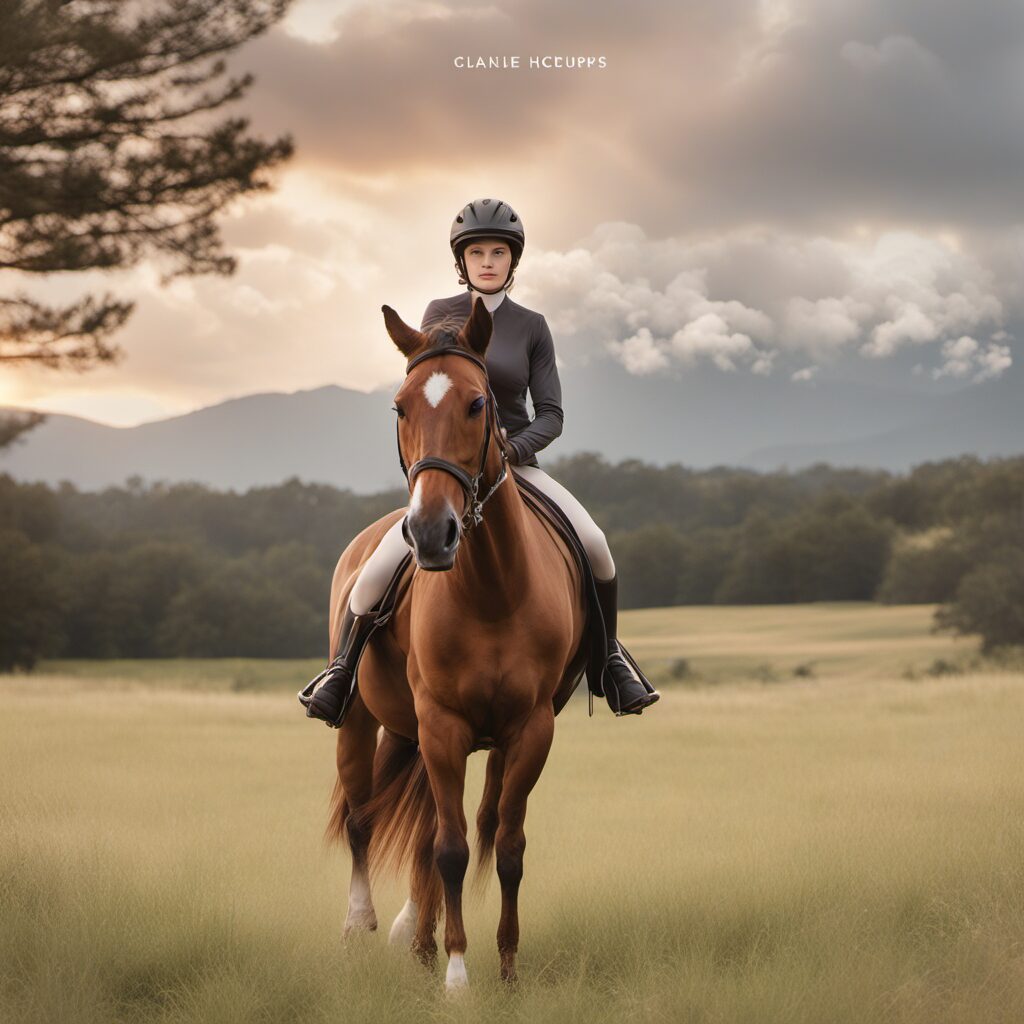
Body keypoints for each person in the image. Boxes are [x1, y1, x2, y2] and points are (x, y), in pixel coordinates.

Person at [301, 198, 660, 727]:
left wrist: (511, 450)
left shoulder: (532, 326)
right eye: (476, 253)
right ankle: (342, 671)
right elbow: (430, 391)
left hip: (518, 467)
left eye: (498, 252)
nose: (487, 261)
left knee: (596, 545)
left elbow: (552, 414)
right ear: (461, 261)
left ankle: (609, 661)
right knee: (376, 568)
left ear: (513, 261)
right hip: (452, 471)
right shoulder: (437, 316)